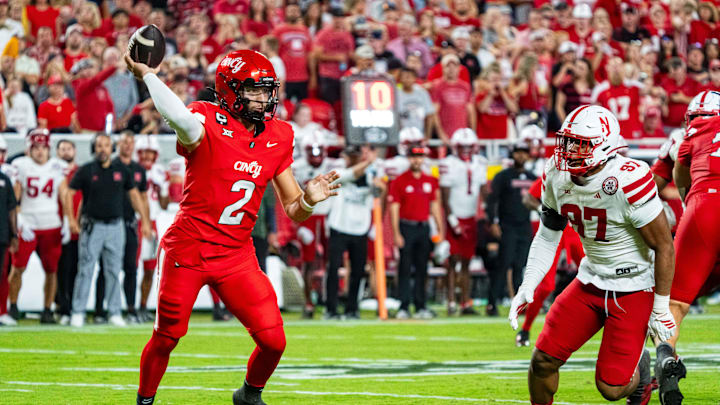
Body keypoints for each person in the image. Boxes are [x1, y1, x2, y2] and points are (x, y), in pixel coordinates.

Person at [125, 49, 339, 405]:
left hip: (236, 254)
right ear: (229, 91)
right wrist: (148, 75)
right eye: (254, 90)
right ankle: (145, 400)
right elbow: (178, 116)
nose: (264, 98)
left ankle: (249, 395)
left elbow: (293, 209)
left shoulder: (279, 135)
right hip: (189, 249)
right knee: (167, 336)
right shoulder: (204, 119)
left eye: (267, 90)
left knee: (274, 340)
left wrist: (309, 200)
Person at [508, 105, 677, 405]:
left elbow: (664, 246)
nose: (569, 150)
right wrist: (528, 284)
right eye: (567, 141)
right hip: (590, 280)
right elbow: (548, 234)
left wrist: (661, 308)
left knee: (611, 389)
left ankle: (641, 376)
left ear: (605, 146)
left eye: (579, 143)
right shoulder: (557, 173)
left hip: (634, 287)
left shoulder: (629, 178)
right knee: (542, 360)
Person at [662, 90, 720, 404]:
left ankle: (666, 360)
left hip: (705, 204)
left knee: (675, 304)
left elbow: (678, 174)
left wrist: (690, 201)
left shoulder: (694, 131)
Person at [66, 133, 152, 328]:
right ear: (93, 148)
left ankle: (114, 311)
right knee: (85, 270)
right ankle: (77, 311)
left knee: (114, 271)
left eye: (106, 145)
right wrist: (71, 219)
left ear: (111, 148)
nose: (102, 149)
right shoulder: (86, 170)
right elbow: (68, 193)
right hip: (92, 226)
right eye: (99, 146)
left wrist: (145, 220)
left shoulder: (122, 170)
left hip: (116, 226)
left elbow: (135, 196)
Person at [7, 129, 69, 324]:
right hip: (28, 226)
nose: (40, 152)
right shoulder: (21, 165)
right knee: (18, 268)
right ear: (28, 149)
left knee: (52, 270)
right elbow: (15, 195)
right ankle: (13, 306)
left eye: (43, 147)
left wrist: (67, 220)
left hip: (51, 225)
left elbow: (64, 194)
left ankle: (47, 309)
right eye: (36, 147)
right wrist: (20, 218)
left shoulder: (56, 166)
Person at [94, 132, 150, 324]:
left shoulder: (138, 170)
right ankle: (100, 309)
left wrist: (146, 222)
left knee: (131, 267)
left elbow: (142, 197)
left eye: (130, 142)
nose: (127, 145)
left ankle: (131, 309)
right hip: (111, 221)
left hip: (129, 223)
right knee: (106, 267)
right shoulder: (110, 165)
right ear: (118, 144)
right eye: (124, 142)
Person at [389, 144, 445, 320]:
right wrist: (396, 233)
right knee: (404, 268)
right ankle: (404, 305)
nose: (417, 160)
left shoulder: (430, 180)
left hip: (423, 227)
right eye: (414, 157)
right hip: (407, 227)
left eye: (420, 157)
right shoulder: (400, 181)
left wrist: (440, 227)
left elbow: (435, 206)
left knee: (422, 268)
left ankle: (421, 305)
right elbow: (394, 209)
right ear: (409, 158)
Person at [291, 131, 342, 318]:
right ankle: (308, 303)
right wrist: (297, 223)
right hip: (309, 217)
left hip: (329, 216)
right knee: (309, 262)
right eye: (311, 151)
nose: (315, 155)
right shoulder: (297, 167)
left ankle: (329, 301)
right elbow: (291, 196)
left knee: (332, 262)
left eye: (318, 150)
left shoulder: (334, 165)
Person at [325, 145, 379, 320]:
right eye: (351, 156)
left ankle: (352, 308)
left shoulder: (370, 175)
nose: (352, 159)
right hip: (339, 225)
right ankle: (331, 309)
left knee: (358, 270)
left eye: (356, 156)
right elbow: (350, 175)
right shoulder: (338, 172)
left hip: (360, 228)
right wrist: (368, 162)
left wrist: (380, 186)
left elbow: (379, 192)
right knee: (333, 268)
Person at [439, 128, 487, 315]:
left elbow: (484, 193)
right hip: (455, 217)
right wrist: (452, 221)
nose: (466, 150)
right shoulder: (448, 164)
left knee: (467, 261)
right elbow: (445, 197)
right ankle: (451, 301)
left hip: (470, 217)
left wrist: (490, 215)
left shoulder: (480, 164)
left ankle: (465, 302)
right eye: (462, 147)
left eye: (469, 147)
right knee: (451, 262)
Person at [485, 141, 536, 316]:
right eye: (518, 152)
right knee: (503, 264)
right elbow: (492, 200)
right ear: (512, 154)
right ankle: (492, 303)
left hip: (524, 226)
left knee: (520, 266)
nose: (520, 156)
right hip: (507, 226)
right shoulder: (503, 176)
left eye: (524, 152)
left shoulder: (532, 177)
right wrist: (493, 222)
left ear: (528, 155)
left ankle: (519, 304)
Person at [135, 134, 169, 323]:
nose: (147, 156)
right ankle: (130, 307)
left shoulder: (159, 172)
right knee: (131, 267)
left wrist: (163, 187)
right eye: (144, 152)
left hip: (154, 221)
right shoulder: (132, 169)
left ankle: (141, 306)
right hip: (135, 221)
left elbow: (164, 204)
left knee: (150, 269)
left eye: (151, 152)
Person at [54, 139, 81, 326]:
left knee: (75, 269)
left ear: (74, 150)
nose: (65, 152)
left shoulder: (80, 172)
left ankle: (69, 306)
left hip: (78, 227)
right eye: (62, 149)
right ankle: (62, 306)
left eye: (68, 148)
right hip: (58, 225)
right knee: (61, 269)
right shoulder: (53, 171)